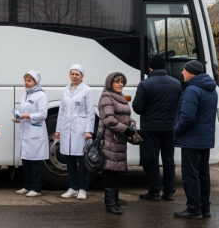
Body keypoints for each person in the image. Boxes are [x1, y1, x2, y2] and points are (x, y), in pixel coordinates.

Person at [132, 54, 182, 202]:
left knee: (152, 160)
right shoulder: (176, 83)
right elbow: (180, 106)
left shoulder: (144, 84)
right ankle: (169, 192)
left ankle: (154, 192)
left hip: (151, 128)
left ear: (150, 67)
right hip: (170, 127)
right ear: (164, 66)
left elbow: (137, 108)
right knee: (168, 160)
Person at [172, 60, 217, 219]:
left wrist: (176, 132)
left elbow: (187, 117)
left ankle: (194, 209)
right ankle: (205, 208)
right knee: (203, 175)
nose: (182, 73)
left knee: (190, 175)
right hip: (205, 138)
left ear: (191, 73)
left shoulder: (192, 90)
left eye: (184, 70)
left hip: (192, 139)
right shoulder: (211, 89)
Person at [55, 64, 95, 200]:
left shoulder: (87, 90)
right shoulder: (66, 90)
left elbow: (90, 112)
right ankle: (72, 188)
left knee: (83, 161)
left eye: (77, 74)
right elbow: (62, 111)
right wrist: (58, 129)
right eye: (72, 74)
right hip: (67, 129)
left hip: (81, 130)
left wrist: (89, 130)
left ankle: (82, 189)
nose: (74, 76)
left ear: (82, 76)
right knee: (70, 161)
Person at [98, 72, 134, 215]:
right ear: (110, 83)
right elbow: (109, 120)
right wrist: (126, 129)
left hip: (119, 137)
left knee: (116, 169)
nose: (120, 84)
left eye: (122, 82)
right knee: (109, 169)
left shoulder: (120, 96)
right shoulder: (107, 97)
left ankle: (115, 199)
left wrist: (131, 123)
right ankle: (110, 203)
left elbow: (123, 116)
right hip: (110, 137)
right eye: (117, 82)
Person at [14, 70, 48, 197]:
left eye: (29, 81)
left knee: (35, 162)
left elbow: (43, 114)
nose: (26, 83)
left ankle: (36, 188)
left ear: (36, 82)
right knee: (26, 160)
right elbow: (22, 110)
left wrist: (26, 116)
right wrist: (18, 117)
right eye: (25, 80)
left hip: (35, 131)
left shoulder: (41, 95)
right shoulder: (25, 94)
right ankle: (27, 186)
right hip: (25, 131)